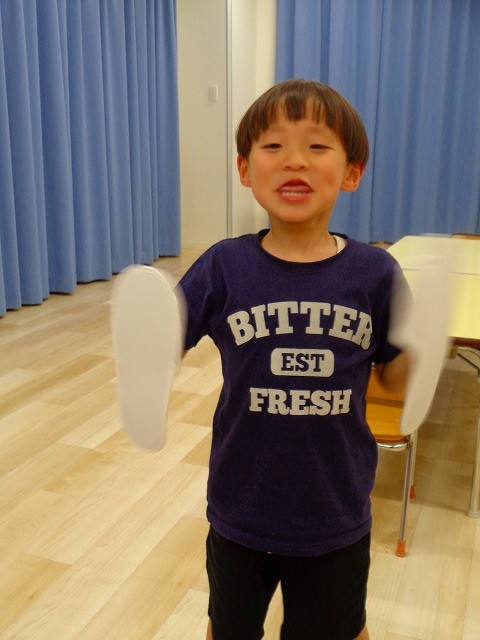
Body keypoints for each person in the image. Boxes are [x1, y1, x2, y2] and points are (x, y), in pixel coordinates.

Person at [178, 78, 410, 640]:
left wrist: (423, 346)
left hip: (336, 510)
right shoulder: (223, 266)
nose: (294, 161)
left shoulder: (375, 274)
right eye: (274, 146)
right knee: (229, 628)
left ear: (351, 173)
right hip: (240, 507)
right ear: (245, 169)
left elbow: (394, 378)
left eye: (317, 146)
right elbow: (165, 343)